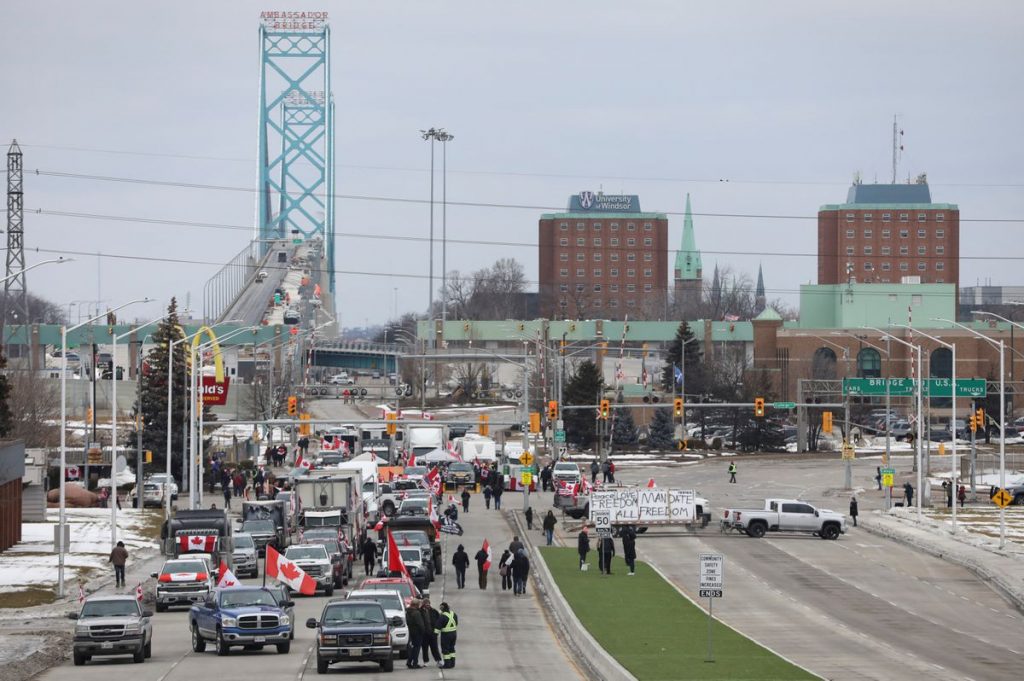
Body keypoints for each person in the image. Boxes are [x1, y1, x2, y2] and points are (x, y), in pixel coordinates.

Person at [420, 598, 443, 668]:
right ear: (423, 605)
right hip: (424, 634)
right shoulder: (420, 612)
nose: (428, 606)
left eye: (428, 604)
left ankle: (438, 660)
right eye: (426, 604)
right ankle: (426, 661)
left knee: (434, 648)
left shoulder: (434, 611)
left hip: (433, 633)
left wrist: (437, 630)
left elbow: (439, 621)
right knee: (425, 648)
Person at [435, 602, 458, 669]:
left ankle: (447, 664)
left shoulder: (442, 616)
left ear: (442, 608)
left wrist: (435, 635)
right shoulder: (454, 614)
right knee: (452, 648)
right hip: (454, 634)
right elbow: (456, 623)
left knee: (445, 650)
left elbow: (437, 627)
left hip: (446, 635)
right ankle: (452, 663)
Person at [405, 599, 424, 668]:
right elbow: (420, 624)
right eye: (418, 604)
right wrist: (423, 631)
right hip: (417, 633)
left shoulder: (408, 612)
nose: (419, 606)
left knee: (413, 648)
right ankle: (415, 663)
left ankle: (409, 661)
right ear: (416, 605)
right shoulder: (416, 613)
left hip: (411, 631)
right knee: (417, 648)